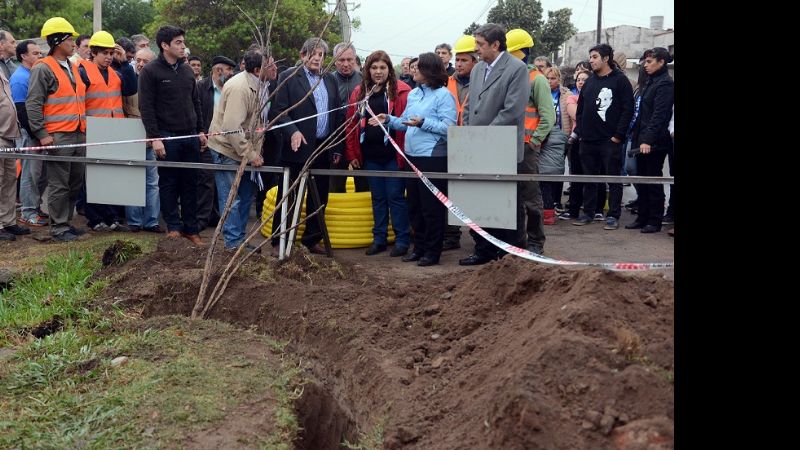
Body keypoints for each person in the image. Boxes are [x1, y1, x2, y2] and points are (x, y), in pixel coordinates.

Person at [369, 52, 455, 267]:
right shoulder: (414, 94)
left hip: (432, 157)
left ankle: (432, 252)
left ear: (430, 71)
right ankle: (419, 248)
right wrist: (388, 119)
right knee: (414, 206)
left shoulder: (444, 95)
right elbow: (405, 122)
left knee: (431, 208)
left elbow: (449, 127)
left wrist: (423, 122)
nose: (414, 69)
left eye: (419, 67)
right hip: (411, 156)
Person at [459, 24, 535, 265]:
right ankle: (484, 250)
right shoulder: (478, 69)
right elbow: (470, 106)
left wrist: (485, 136)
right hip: (479, 147)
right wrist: (470, 133)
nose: (476, 48)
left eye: (480, 44)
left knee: (507, 202)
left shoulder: (516, 69)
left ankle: (512, 253)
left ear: (495, 45)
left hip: (502, 147)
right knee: (483, 201)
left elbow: (512, 110)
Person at [269, 37, 344, 255]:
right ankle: (280, 240)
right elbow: (278, 112)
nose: (317, 58)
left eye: (321, 55)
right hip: (296, 148)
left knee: (319, 196)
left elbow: (337, 113)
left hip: (323, 147)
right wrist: (293, 131)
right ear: (303, 55)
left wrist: (336, 146)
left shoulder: (330, 79)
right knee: (290, 195)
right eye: (313, 54)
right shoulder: (289, 77)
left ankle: (311, 239)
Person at [139, 25, 206, 245]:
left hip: (190, 136)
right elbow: (146, 107)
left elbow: (195, 102)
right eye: (178, 42)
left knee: (191, 183)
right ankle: (174, 227)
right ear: (164, 45)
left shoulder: (187, 71)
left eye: (183, 42)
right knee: (168, 183)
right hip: (167, 136)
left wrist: (201, 131)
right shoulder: (150, 71)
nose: (183, 46)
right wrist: (155, 138)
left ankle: (191, 229)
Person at [344, 50, 412, 257]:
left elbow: (407, 122)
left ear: (389, 69)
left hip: (393, 155)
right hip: (370, 155)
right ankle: (379, 239)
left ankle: (402, 240)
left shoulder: (402, 91)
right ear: (367, 70)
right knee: (378, 198)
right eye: (374, 67)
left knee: (396, 197)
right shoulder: (359, 92)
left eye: (382, 67)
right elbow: (351, 124)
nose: (378, 72)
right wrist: (352, 153)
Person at [26, 17, 88, 242]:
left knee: (75, 181)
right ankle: (59, 227)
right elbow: (33, 103)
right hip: (58, 135)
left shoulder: (73, 66)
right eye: (70, 39)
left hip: (78, 133)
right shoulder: (43, 68)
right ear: (58, 41)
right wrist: (42, 134)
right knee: (59, 183)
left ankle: (67, 222)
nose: (73, 43)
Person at [78, 31, 138, 232]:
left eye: (111, 53)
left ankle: (111, 217)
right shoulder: (82, 71)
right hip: (93, 130)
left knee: (110, 175)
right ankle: (95, 219)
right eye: (105, 53)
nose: (109, 57)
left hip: (113, 129)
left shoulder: (115, 72)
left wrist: (125, 63)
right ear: (93, 52)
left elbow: (131, 89)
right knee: (93, 177)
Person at [207, 50, 267, 251]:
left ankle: (239, 240)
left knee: (245, 197)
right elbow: (231, 127)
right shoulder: (240, 88)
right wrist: (250, 154)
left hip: (244, 152)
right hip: (227, 151)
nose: (275, 68)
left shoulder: (259, 86)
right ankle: (232, 244)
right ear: (257, 70)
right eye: (271, 65)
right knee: (231, 199)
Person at [572, 44, 634, 231]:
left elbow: (628, 109)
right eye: (590, 57)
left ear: (606, 58)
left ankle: (613, 215)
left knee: (613, 179)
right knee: (589, 179)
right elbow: (581, 109)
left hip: (610, 141)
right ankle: (588, 213)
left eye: (595, 57)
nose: (591, 60)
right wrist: (581, 132)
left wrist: (618, 136)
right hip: (588, 140)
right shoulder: (590, 81)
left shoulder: (620, 80)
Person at [625, 47, 674, 234]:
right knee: (642, 179)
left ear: (661, 62)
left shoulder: (665, 84)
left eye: (649, 62)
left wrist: (647, 140)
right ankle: (642, 217)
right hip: (641, 138)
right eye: (645, 62)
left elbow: (659, 116)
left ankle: (654, 220)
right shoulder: (649, 82)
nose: (645, 65)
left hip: (655, 142)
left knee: (653, 180)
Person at [441, 34, 478, 251]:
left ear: (475, 61)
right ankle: (451, 235)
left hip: (474, 143)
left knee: (473, 191)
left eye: (464, 60)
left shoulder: (482, 82)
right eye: (457, 60)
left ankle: (478, 236)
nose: (459, 64)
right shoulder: (448, 82)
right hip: (450, 142)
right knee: (450, 190)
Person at [11, 39, 48, 228]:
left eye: (40, 53)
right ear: (23, 56)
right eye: (35, 53)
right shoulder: (20, 78)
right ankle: (28, 212)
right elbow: (21, 111)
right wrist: (37, 134)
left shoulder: (34, 74)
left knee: (41, 174)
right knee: (30, 174)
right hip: (29, 134)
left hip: (39, 132)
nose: (39, 56)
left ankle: (35, 207)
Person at [125, 47, 162, 233]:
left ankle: (151, 221)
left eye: (145, 61)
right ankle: (134, 221)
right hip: (131, 137)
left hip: (151, 138)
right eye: (138, 60)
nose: (140, 64)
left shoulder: (158, 83)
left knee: (152, 182)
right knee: (132, 180)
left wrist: (154, 136)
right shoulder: (128, 82)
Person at [196, 55, 236, 230]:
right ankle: (201, 220)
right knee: (206, 180)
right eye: (228, 69)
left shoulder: (232, 88)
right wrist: (200, 133)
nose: (231, 73)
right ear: (218, 70)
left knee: (224, 182)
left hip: (226, 144)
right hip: (206, 141)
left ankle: (217, 217)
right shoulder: (200, 87)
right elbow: (195, 112)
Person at [330, 42, 367, 193]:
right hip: (335, 140)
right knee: (335, 187)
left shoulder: (365, 80)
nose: (346, 64)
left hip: (359, 140)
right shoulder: (327, 80)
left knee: (364, 186)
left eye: (349, 60)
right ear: (335, 61)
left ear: (355, 59)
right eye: (341, 60)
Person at [1, 61, 30, 241]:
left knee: (9, 180)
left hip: (9, 136)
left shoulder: (2, 71)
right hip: (1, 134)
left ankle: (8, 221)